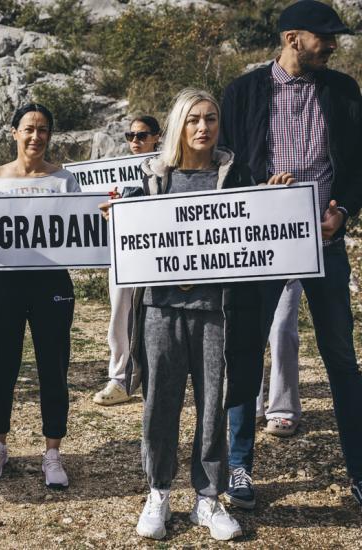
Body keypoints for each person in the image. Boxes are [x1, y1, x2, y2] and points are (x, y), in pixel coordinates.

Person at [103, 88, 285, 541]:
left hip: (217, 312)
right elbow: (128, 235)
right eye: (193, 120)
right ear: (179, 125)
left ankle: (208, 497)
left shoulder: (236, 175)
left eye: (211, 119)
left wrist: (276, 199)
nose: (203, 128)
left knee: (213, 406)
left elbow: (258, 225)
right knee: (159, 405)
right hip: (162, 312)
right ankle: (159, 492)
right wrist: (114, 217)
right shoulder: (150, 180)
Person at [219, 0, 362, 510]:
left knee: (341, 359)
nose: (333, 44)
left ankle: (360, 472)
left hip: (324, 243)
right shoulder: (241, 92)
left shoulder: (343, 91)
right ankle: (237, 467)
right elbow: (225, 166)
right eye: (324, 37)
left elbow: (357, 166)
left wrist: (342, 210)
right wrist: (257, 194)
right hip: (259, 244)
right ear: (292, 38)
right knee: (244, 351)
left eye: (335, 37)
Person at [0, 104, 78, 490]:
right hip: (4, 283)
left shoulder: (64, 178)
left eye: (44, 130)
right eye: (29, 129)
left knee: (54, 366)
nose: (36, 136)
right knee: (1, 368)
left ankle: (52, 452)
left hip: (52, 282)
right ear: (14, 132)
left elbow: (79, 227)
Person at [94, 116, 160, 406]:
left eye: (142, 135)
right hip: (122, 254)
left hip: (157, 253)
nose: (135, 141)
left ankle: (157, 379)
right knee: (119, 314)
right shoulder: (114, 173)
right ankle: (119, 378)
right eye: (130, 135)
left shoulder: (167, 169)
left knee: (159, 317)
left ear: (157, 137)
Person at [256, 279, 303, 438]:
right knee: (248, 332)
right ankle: (250, 405)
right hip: (247, 268)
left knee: (282, 332)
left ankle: (284, 409)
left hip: (288, 266)